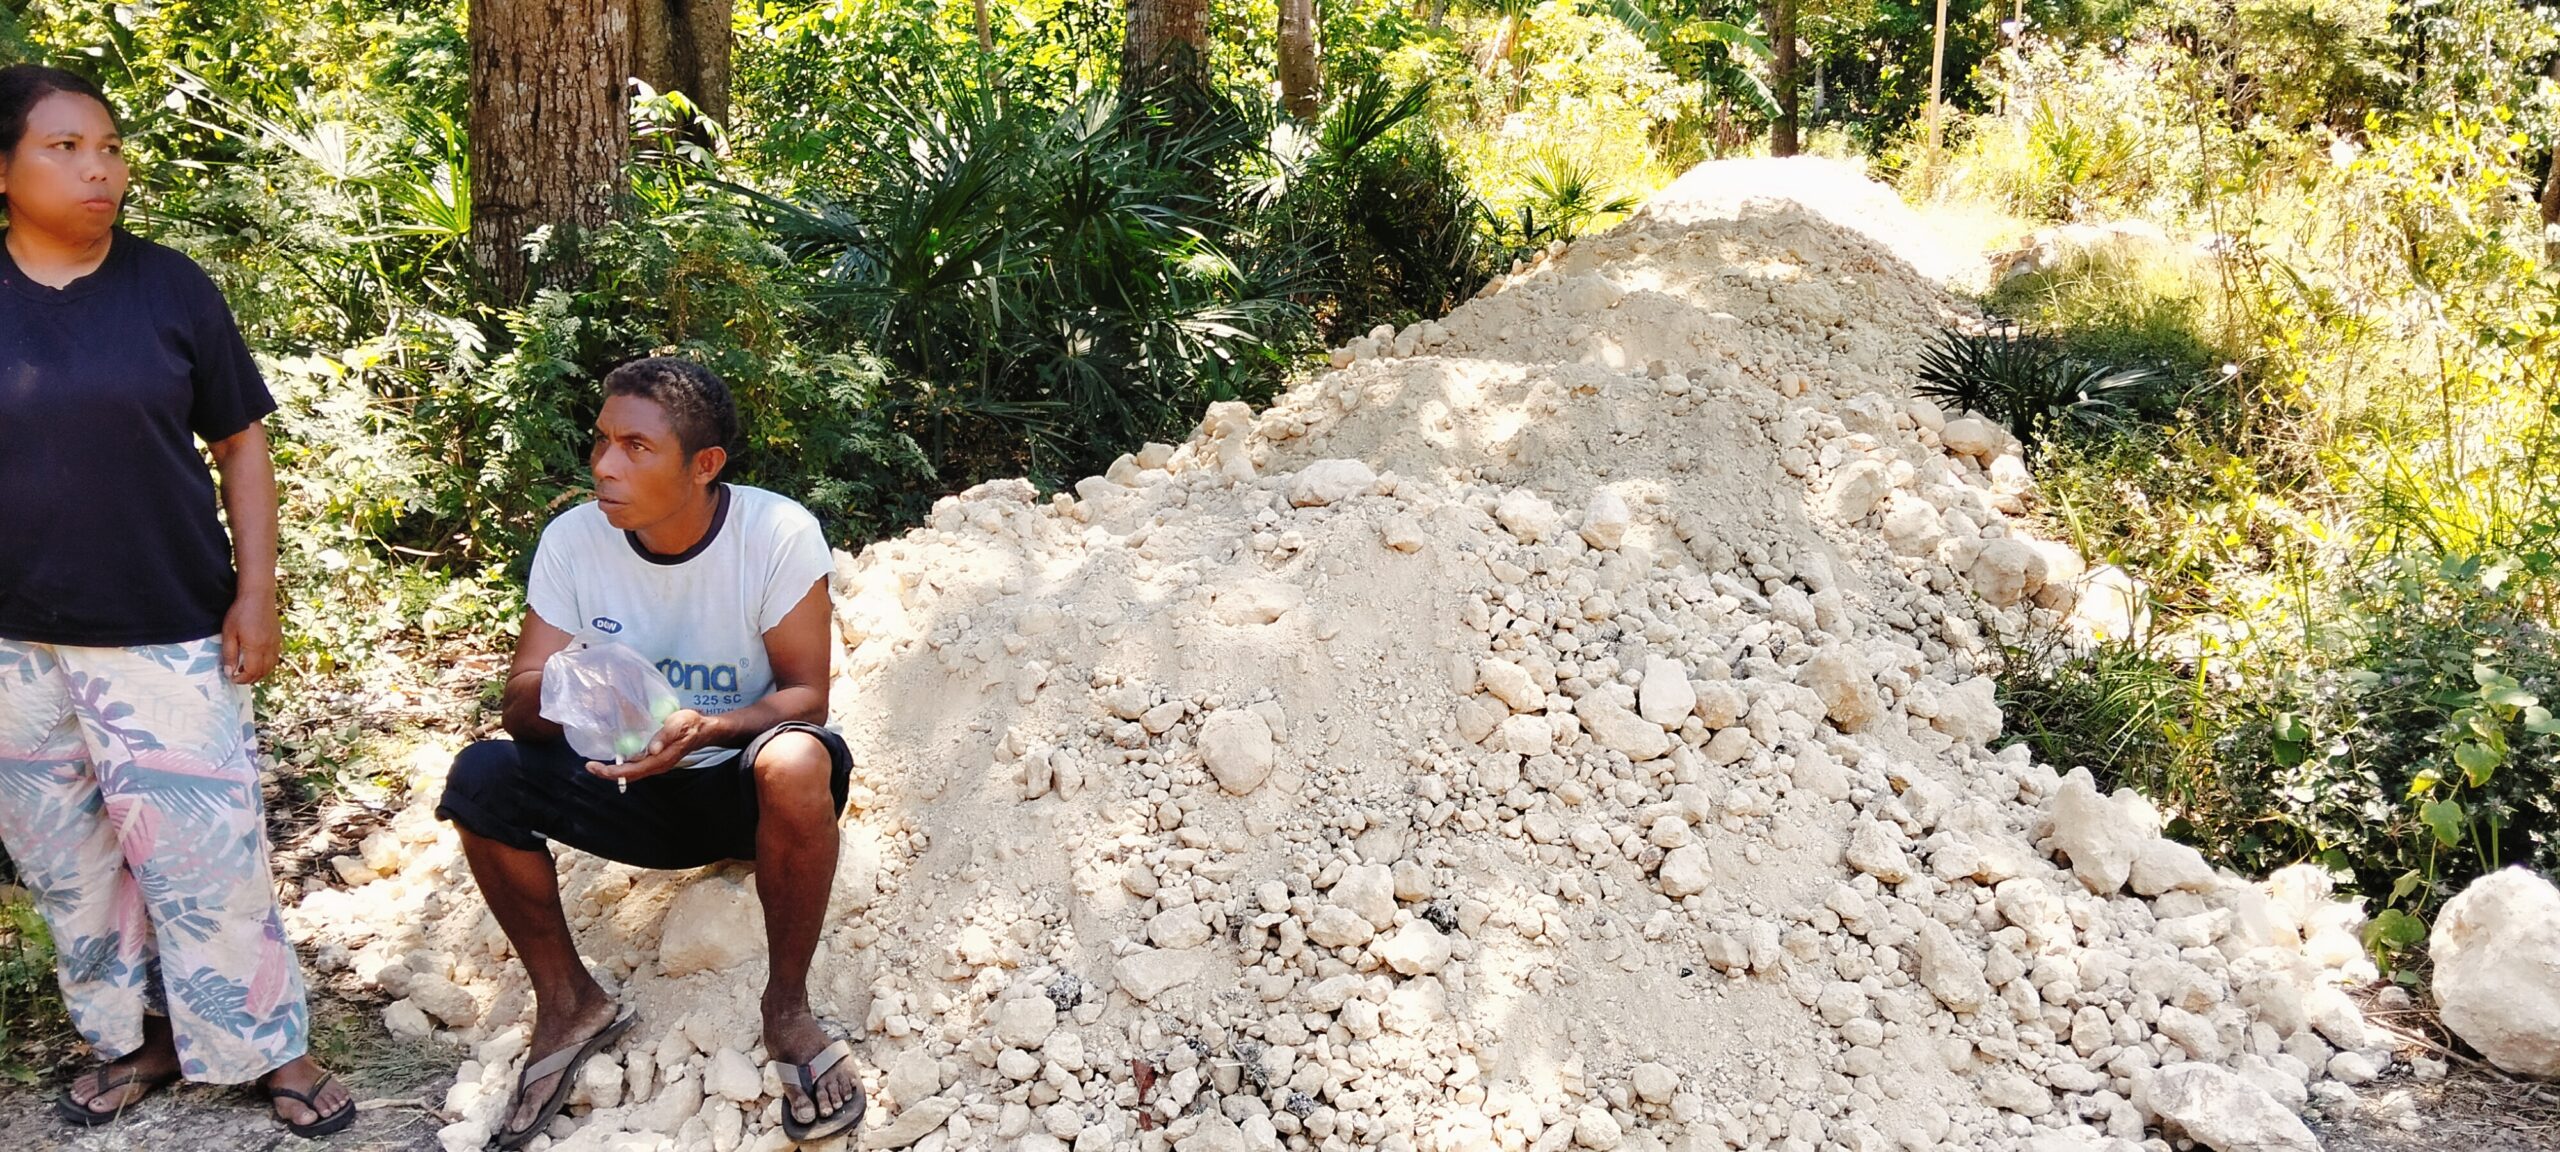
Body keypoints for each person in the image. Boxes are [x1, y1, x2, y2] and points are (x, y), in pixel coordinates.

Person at [0, 63, 354, 1135]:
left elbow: (240, 441)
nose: (98, 167)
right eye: (64, 147)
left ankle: (271, 1051)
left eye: (106, 146)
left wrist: (258, 592)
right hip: (15, 644)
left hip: (164, 624)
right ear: (4, 168)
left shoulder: (169, 287)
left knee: (208, 852)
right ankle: (133, 1039)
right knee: (71, 863)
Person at [436, 356, 865, 1149]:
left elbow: (807, 698)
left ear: (703, 466)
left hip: (736, 792)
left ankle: (788, 1010)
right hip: (621, 787)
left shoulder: (774, 534)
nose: (604, 465)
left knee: (798, 759)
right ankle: (568, 1003)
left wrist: (706, 727)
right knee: (480, 777)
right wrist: (572, 688)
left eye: (636, 447)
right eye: (602, 441)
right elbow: (520, 702)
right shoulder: (573, 541)